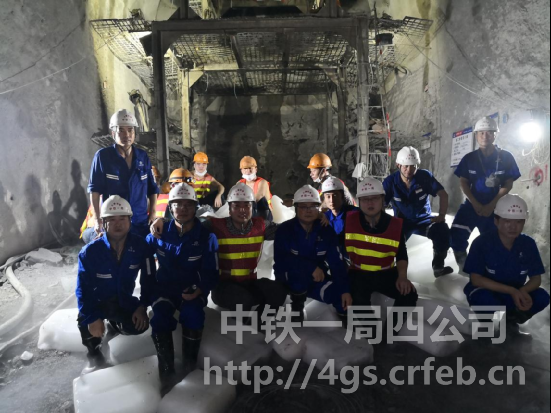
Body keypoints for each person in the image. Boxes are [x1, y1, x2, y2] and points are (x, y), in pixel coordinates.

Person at [150, 183, 288, 329]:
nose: (242, 210)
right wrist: (163, 221)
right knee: (242, 299)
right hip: (223, 287)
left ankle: (259, 323)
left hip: (249, 283)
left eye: (246, 205)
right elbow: (188, 222)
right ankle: (242, 328)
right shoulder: (215, 226)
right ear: (229, 208)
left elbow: (286, 231)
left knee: (277, 291)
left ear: (252, 207)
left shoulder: (261, 226)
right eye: (236, 206)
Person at [145, 184, 218, 394]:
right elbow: (141, 254)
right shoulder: (159, 233)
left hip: (191, 289)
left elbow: (212, 272)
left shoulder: (206, 237)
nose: (183, 209)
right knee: (159, 317)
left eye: (188, 205)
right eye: (178, 204)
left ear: (196, 208)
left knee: (193, 315)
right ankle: (166, 371)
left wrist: (200, 289)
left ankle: (189, 366)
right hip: (165, 288)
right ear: (170, 208)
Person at [76, 196, 154, 373]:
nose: (118, 224)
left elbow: (149, 279)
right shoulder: (90, 252)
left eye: (122, 218)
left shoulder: (141, 247)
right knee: (85, 319)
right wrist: (92, 317)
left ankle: (113, 326)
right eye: (111, 219)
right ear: (103, 222)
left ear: (130, 220)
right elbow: (83, 289)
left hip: (123, 300)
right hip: (98, 302)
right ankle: (94, 355)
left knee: (139, 326)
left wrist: (142, 306)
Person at [463, 194, 550, 338]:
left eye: (518, 222)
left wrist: (522, 291)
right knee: (483, 299)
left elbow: (536, 278)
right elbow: (476, 279)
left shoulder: (528, 244)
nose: (513, 227)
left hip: (514, 293)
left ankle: (511, 320)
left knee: (542, 297)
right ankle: (486, 324)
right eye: (507, 221)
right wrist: (512, 291)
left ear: (524, 223)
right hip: (488, 291)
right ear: (496, 221)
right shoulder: (482, 242)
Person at [345, 178, 418, 332]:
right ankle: (373, 332)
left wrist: (402, 277)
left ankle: (390, 332)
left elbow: (401, 254)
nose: (370, 203)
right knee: (357, 298)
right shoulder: (349, 221)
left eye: (375, 198)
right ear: (359, 201)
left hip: (386, 273)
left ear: (383, 200)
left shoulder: (395, 225)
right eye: (365, 199)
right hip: (358, 273)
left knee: (409, 294)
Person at [451, 116, 521, 272]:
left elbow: (508, 183)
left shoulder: (506, 157)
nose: (485, 136)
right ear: (476, 135)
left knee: (496, 240)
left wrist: (492, 204)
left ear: (495, 134)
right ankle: (465, 267)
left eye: (489, 132)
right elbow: (463, 182)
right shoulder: (469, 158)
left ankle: (492, 270)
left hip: (496, 207)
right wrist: (475, 203)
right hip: (472, 204)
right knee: (456, 233)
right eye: (481, 132)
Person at [274, 185, 352, 322]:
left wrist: (344, 290)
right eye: (303, 207)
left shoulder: (326, 231)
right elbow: (281, 259)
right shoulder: (285, 230)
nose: (308, 210)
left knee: (342, 297)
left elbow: (336, 263)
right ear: (296, 208)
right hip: (290, 279)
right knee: (298, 277)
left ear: (319, 208)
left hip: (316, 279)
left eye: (313, 206)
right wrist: (310, 267)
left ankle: (346, 327)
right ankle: (297, 305)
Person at [88, 109, 159, 238]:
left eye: (130, 130)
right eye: (121, 130)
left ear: (134, 132)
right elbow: (94, 191)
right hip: (114, 222)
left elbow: (152, 188)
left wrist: (153, 213)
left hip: (140, 222)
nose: (127, 135)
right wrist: (98, 219)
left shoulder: (142, 156)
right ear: (113, 133)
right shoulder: (103, 157)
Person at [383, 146, 453, 277]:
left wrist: (442, 215)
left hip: (424, 221)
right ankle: (389, 272)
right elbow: (381, 204)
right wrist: (383, 224)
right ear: (398, 165)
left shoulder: (424, 177)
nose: (409, 170)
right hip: (402, 223)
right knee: (389, 242)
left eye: (413, 166)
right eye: (406, 166)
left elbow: (443, 195)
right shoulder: (390, 182)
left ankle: (438, 267)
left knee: (442, 230)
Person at [322, 177, 359, 253]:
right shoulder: (324, 217)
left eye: (335, 195)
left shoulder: (354, 213)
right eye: (328, 196)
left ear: (342, 196)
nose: (332, 200)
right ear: (324, 199)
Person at [238, 156, 273, 220]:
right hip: (248, 212)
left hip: (264, 213)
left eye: (250, 168)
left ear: (256, 169)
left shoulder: (262, 182)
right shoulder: (240, 183)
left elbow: (258, 197)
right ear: (241, 170)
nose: (248, 171)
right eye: (245, 168)